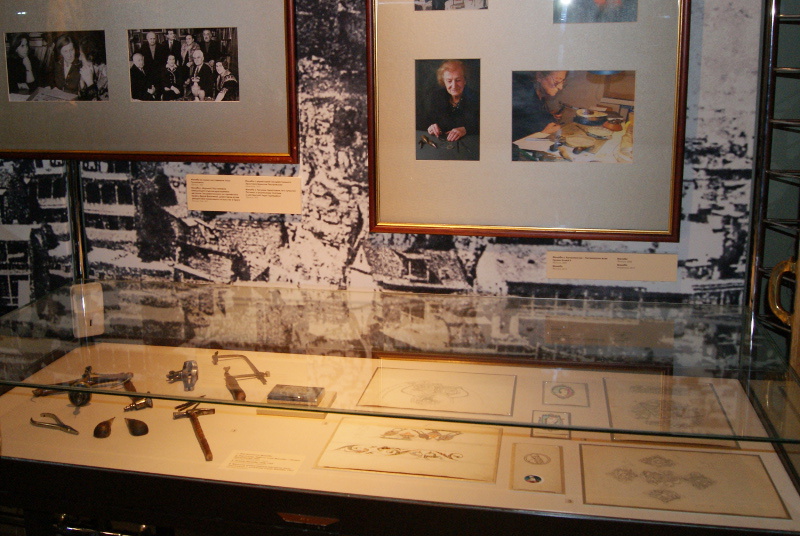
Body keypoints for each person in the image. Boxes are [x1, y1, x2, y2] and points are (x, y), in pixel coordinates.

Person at [421, 59, 479, 142]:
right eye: (449, 81)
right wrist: (431, 127)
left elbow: (484, 125)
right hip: (441, 144)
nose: (454, 85)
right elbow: (426, 121)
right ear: (443, 82)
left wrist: (466, 129)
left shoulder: (476, 98)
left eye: (458, 80)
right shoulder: (436, 97)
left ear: (465, 80)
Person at [511, 70, 567, 141]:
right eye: (557, 81)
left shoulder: (539, 93)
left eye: (563, 81)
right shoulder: (523, 97)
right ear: (539, 76)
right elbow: (512, 142)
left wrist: (547, 114)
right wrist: (543, 134)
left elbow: (529, 117)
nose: (560, 87)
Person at [77, 34, 108, 101]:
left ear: (90, 57)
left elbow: (99, 105)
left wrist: (90, 83)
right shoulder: (89, 71)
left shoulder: (106, 75)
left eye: (81, 55)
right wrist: (82, 83)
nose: (79, 58)